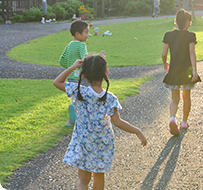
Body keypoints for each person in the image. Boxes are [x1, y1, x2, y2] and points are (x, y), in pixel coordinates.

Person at [53, 55, 147, 190]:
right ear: (106, 74)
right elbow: (118, 122)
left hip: (83, 141)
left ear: (84, 76)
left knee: (83, 179)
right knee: (99, 176)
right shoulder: (110, 98)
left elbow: (57, 82)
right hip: (102, 143)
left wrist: (73, 67)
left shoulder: (79, 91)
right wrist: (137, 131)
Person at [161, 9, 201, 136]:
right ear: (186, 22)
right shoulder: (190, 36)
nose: (191, 22)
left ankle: (172, 118)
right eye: (190, 20)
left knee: (175, 98)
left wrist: (165, 63)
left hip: (174, 71)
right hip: (186, 72)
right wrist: (195, 70)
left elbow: (163, 54)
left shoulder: (168, 35)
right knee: (186, 97)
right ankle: (184, 122)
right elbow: (192, 53)